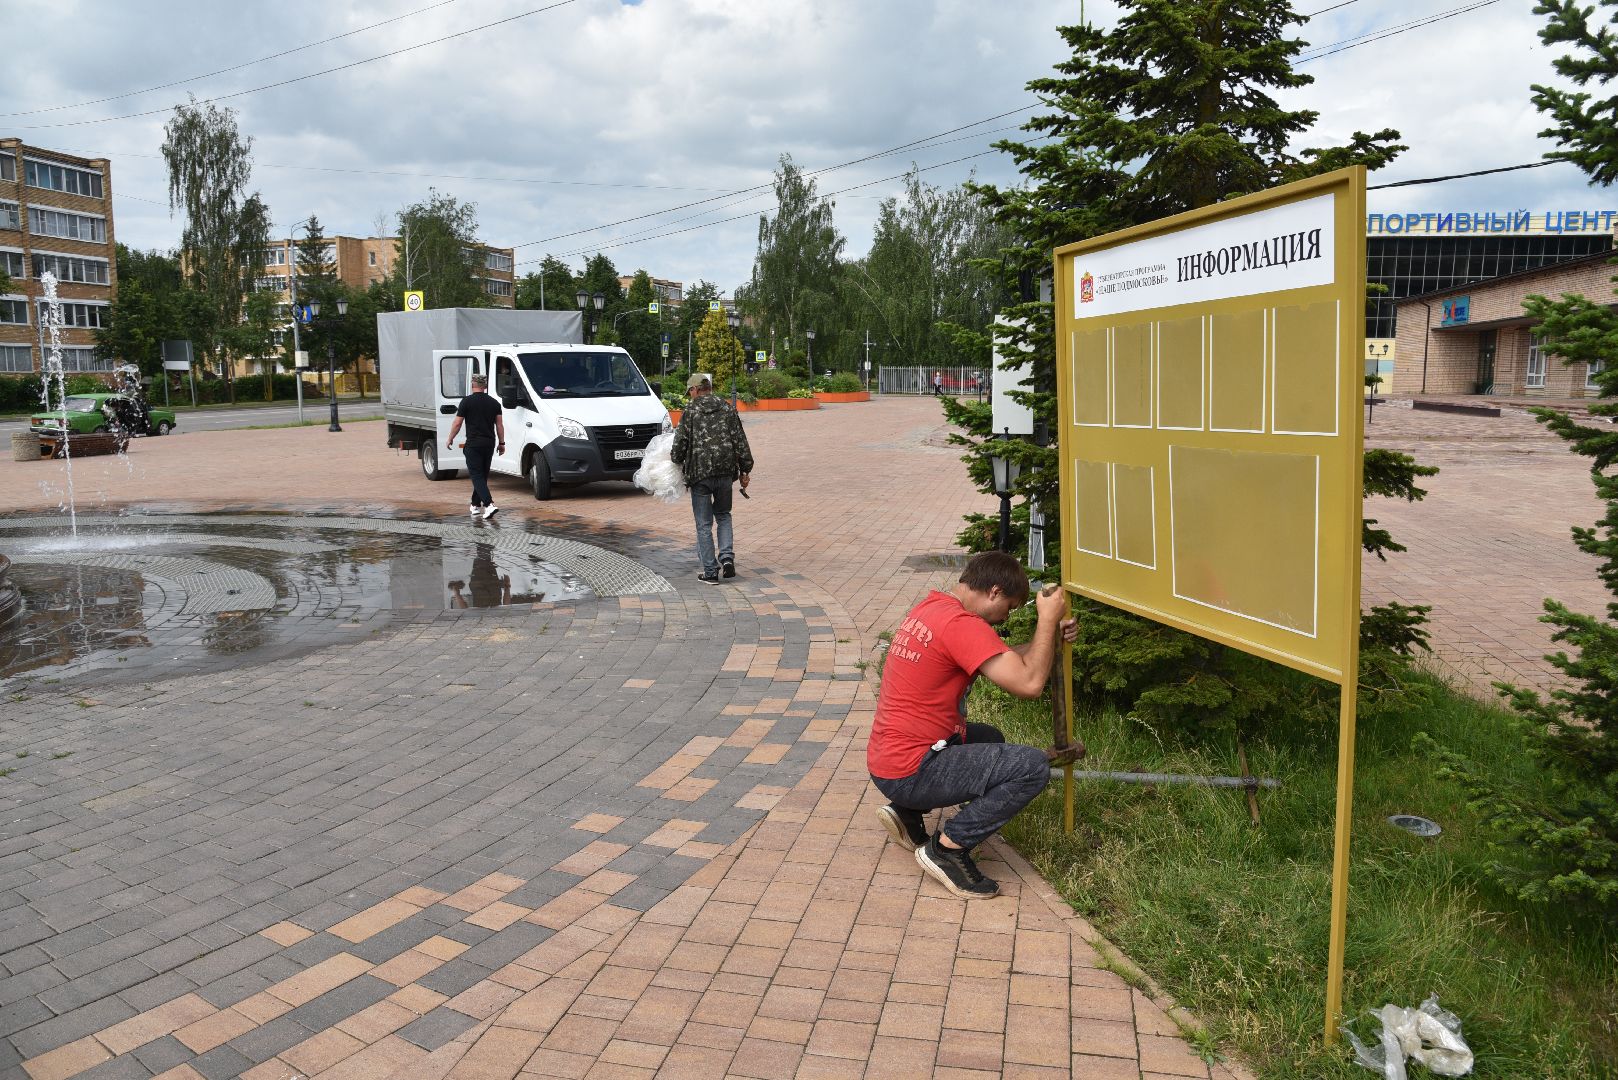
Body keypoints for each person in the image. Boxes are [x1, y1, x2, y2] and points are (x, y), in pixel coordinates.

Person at [867, 551, 1078, 899]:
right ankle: (947, 849)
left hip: (889, 758)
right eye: (1009, 607)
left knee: (989, 738)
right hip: (911, 769)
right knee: (1031, 767)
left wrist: (1049, 639)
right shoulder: (962, 625)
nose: (1006, 616)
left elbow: (1001, 658)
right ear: (994, 591)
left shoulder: (934, 609)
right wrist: (1046, 619)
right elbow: (1029, 684)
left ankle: (906, 812)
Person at [670, 372, 753, 585]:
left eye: (690, 391)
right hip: (725, 472)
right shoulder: (727, 407)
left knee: (704, 524)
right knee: (723, 515)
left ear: (695, 389)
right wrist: (745, 469)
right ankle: (727, 558)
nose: (690, 396)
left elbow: (680, 443)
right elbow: (740, 440)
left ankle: (710, 571)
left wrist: (675, 460)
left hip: (700, 474)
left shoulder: (690, 410)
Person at [445, 374, 505, 520]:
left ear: (473, 385)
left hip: (473, 444)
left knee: (477, 476)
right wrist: (502, 443)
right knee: (482, 476)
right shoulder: (494, 403)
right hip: (489, 443)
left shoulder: (466, 401)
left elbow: (457, 423)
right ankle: (475, 505)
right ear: (485, 386)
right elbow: (499, 425)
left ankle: (489, 504)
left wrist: (450, 438)